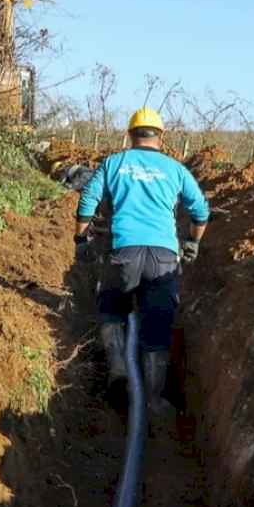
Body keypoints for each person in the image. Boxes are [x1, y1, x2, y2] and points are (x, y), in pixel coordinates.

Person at [74, 106, 210, 415]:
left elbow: (87, 201)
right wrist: (193, 243)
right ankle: (153, 399)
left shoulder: (114, 163)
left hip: (122, 250)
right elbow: (201, 211)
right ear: (161, 137)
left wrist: (81, 240)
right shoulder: (176, 169)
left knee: (112, 308)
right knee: (157, 326)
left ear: (130, 135)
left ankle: (119, 369)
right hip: (163, 256)